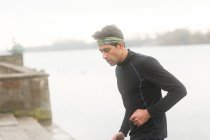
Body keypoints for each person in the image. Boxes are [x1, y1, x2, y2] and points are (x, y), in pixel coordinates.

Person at [92, 25, 187, 140]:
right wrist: (123, 131)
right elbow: (131, 104)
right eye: (101, 51)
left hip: (153, 134)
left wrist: (149, 113)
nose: (104, 56)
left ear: (120, 45)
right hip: (135, 133)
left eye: (107, 50)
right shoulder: (119, 69)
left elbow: (179, 90)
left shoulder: (144, 63)